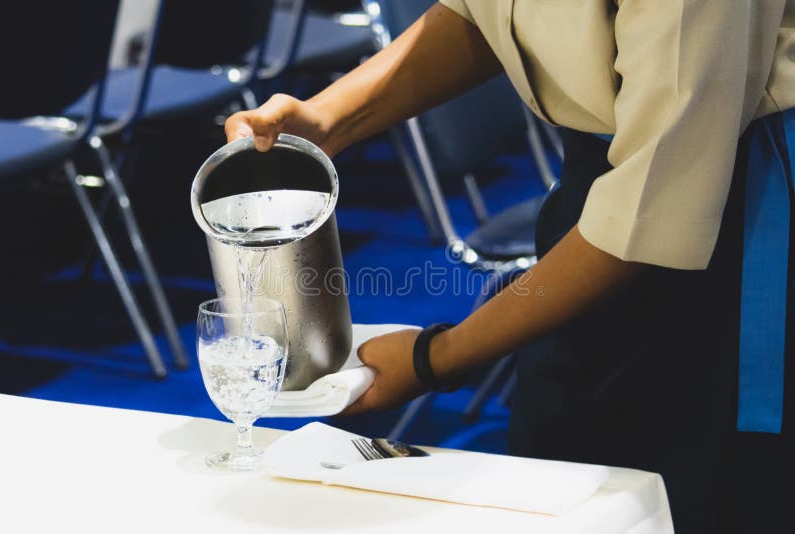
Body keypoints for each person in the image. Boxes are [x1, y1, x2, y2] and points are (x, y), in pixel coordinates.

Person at [225, 2, 795, 532]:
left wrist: (434, 358)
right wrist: (328, 119)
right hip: (600, 188)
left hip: (736, 209)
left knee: (692, 486)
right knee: (565, 461)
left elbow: (649, 215)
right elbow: (484, 14)